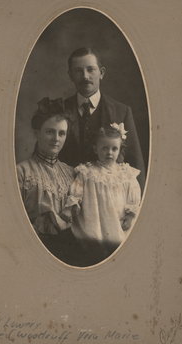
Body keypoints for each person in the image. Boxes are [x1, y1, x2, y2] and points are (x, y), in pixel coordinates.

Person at [59, 47, 146, 191]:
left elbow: (135, 162)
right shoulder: (60, 109)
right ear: (70, 76)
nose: (85, 76)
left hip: (109, 197)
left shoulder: (121, 111)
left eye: (90, 69)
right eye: (78, 71)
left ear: (102, 73)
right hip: (67, 192)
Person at [61, 124, 141, 265]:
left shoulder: (126, 173)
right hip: (95, 219)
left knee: (119, 247)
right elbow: (77, 191)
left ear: (120, 150)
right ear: (95, 149)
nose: (109, 152)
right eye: (104, 148)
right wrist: (71, 207)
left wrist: (130, 215)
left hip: (118, 219)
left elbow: (133, 197)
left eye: (114, 148)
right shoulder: (87, 172)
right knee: (95, 248)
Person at [16, 97, 76, 262]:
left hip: (68, 253)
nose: (56, 138)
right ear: (37, 133)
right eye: (50, 131)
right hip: (31, 254)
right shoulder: (21, 172)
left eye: (61, 133)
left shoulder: (72, 173)